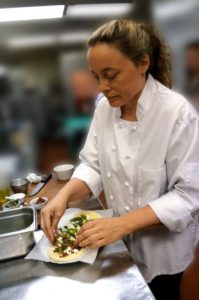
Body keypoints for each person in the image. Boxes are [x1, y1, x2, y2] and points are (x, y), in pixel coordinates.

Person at [41, 20, 199, 300]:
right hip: (117, 245)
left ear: (143, 63)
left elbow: (188, 195)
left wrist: (123, 223)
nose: (102, 87)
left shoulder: (176, 114)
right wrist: (63, 196)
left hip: (163, 254)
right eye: (96, 76)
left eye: (111, 75)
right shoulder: (105, 110)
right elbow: (92, 164)